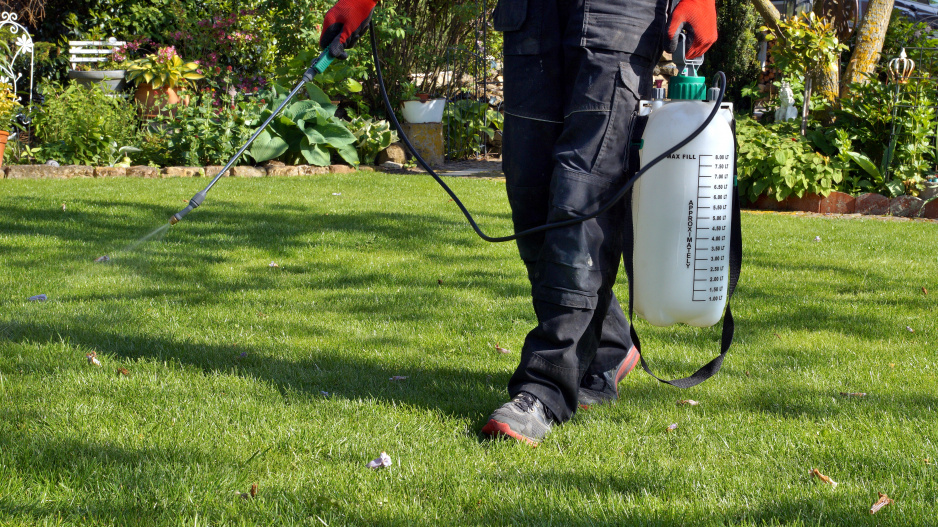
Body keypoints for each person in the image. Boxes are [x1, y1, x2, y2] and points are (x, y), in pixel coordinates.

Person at [319, 0, 717, 446]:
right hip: (531, 13)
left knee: (581, 190)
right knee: (530, 190)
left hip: (618, 14)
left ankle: (545, 387)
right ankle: (608, 344)